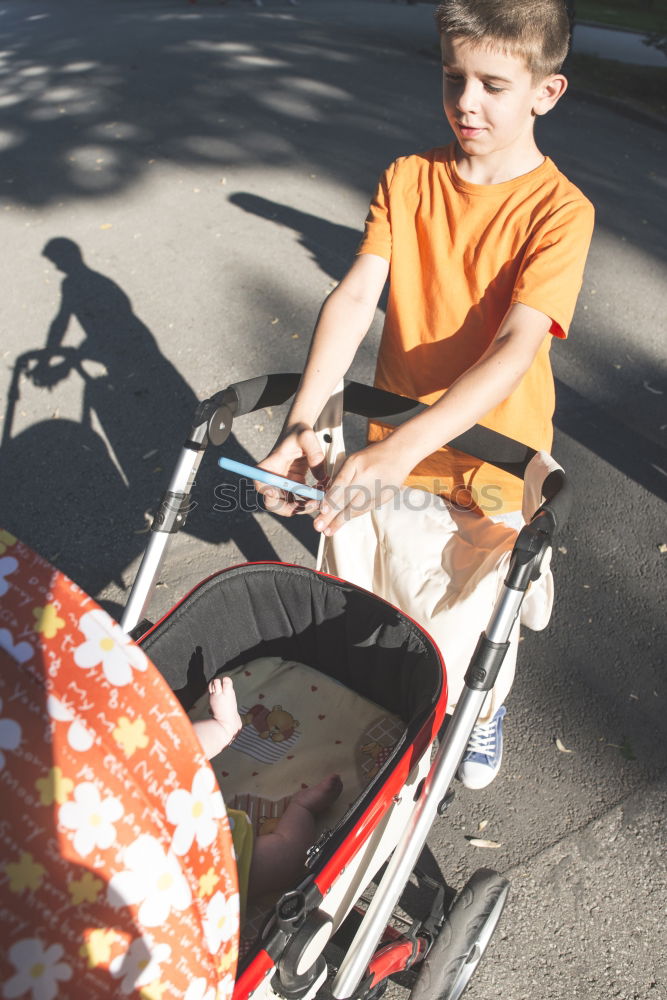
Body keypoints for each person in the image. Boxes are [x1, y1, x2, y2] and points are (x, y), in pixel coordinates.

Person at [256, 0, 594, 788]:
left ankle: (481, 708)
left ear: (546, 92)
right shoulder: (408, 179)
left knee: (481, 616)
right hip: (398, 456)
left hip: (495, 460)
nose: (464, 102)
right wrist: (305, 418)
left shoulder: (559, 212)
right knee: (385, 597)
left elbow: (517, 345)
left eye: (492, 84)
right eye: (452, 78)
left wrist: (399, 447)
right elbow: (351, 298)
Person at [193, 677, 342, 909]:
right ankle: (302, 808)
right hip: (204, 886)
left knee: (158, 755)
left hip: (202, 850)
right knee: (286, 860)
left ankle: (224, 728)